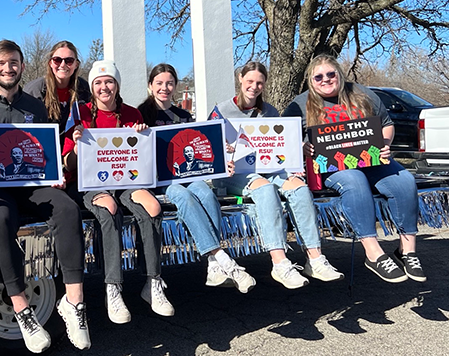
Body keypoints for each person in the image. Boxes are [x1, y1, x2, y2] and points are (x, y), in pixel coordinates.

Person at [0, 40, 90, 353]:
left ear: (22, 66)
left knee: (68, 209)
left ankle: (74, 304)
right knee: (1, 219)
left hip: (31, 186)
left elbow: (44, 151)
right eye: (1, 63)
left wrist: (53, 173)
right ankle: (22, 310)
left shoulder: (35, 107)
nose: (8, 68)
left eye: (14, 62)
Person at [283, 54, 425, 283]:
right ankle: (373, 253)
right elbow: (285, 138)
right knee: (355, 181)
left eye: (331, 74)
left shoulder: (361, 93)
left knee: (405, 180)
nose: (326, 79)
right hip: (330, 166)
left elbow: (386, 125)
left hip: (372, 159)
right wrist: (303, 146)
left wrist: (385, 144)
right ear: (311, 80)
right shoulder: (300, 104)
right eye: (318, 76)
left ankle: (406, 251)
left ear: (340, 74)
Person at [209, 61, 344, 290]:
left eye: (259, 82)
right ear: (240, 79)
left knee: (299, 187)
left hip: (267, 168)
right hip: (235, 173)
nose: (254, 86)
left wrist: (295, 156)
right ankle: (279, 262)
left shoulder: (269, 111)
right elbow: (210, 149)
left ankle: (315, 258)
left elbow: (278, 145)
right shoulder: (221, 111)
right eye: (250, 81)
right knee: (264, 188)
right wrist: (222, 153)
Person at [63, 60, 173, 324]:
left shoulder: (132, 114)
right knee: (109, 208)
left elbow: (142, 159)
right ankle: (113, 287)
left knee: (153, 207)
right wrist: (77, 148)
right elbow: (67, 162)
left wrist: (141, 136)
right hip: (92, 184)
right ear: (91, 87)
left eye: (109, 81)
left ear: (117, 85)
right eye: (98, 83)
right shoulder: (79, 113)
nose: (104, 87)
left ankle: (153, 282)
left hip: (126, 182)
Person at [138, 63, 256, 293]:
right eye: (159, 83)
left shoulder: (183, 115)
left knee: (204, 191)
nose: (165, 88)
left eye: (169, 83)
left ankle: (213, 265)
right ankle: (221, 257)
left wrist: (221, 160)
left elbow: (196, 145)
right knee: (183, 196)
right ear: (150, 86)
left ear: (175, 86)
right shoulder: (141, 113)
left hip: (188, 174)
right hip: (161, 181)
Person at [23, 40, 91, 127]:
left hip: (74, 139)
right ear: (50, 63)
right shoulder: (34, 90)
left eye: (69, 60)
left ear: (76, 64)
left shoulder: (83, 88)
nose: (62, 65)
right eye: (57, 60)